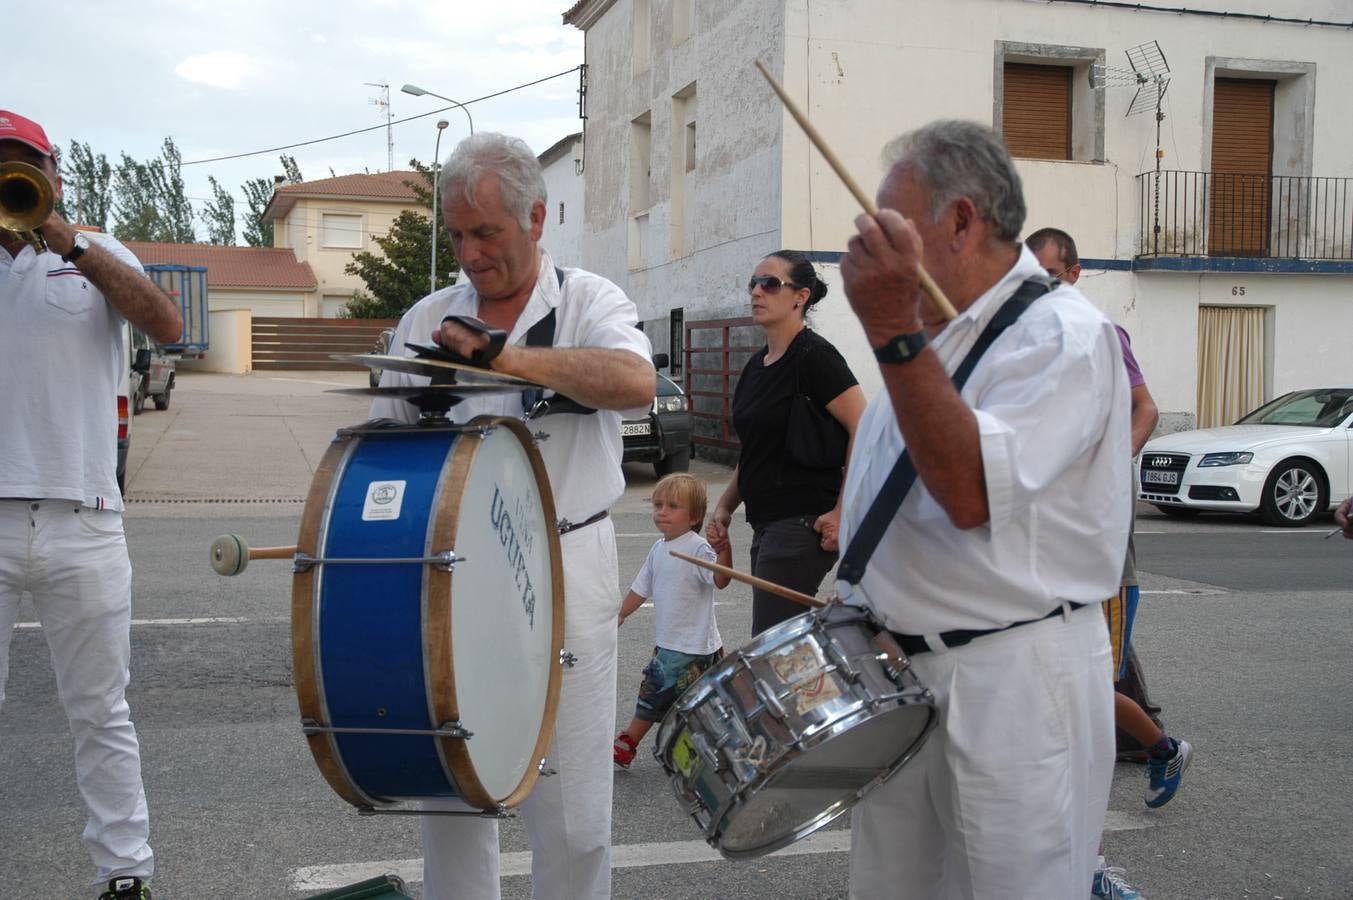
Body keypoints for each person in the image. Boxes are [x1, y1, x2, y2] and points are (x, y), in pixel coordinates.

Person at [834, 120, 1131, 898]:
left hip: (1009, 680)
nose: (869, 240)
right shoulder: (937, 339)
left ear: (960, 221)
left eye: (890, 223)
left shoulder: (1059, 335)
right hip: (900, 677)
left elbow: (967, 493)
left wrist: (891, 330)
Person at [368, 132, 656, 900]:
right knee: (453, 792)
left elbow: (633, 382)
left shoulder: (591, 301)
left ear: (537, 218)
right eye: (457, 234)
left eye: (485, 232)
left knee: (573, 812)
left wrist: (503, 360)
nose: (468, 252)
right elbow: (383, 444)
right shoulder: (426, 318)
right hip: (453, 572)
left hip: (569, 565)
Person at [0, 110, 183, 900]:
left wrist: (68, 240)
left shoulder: (96, 255)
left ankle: (125, 874)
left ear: (51, 173)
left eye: (22, 165)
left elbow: (167, 325)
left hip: (86, 516)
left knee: (101, 712)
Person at [1027, 228, 1192, 899]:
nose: (1036, 285)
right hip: (1042, 547)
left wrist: (1104, 470)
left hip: (1097, 551)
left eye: (1047, 272)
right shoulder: (1024, 346)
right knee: (1057, 695)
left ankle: (1091, 864)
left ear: (1074, 273)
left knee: (1084, 700)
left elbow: (1144, 407)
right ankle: (1157, 747)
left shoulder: (1098, 335)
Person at [707, 250, 867, 634]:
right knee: (783, 648)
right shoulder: (756, 366)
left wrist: (842, 510)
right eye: (754, 283)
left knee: (772, 647)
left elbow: (865, 426)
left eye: (770, 283)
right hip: (766, 523)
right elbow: (759, 448)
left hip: (802, 522)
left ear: (801, 296)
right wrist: (727, 505)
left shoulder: (815, 357)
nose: (757, 292)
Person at [613, 473, 731, 768]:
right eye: (658, 505)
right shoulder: (658, 548)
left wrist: (722, 550)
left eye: (672, 506)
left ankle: (628, 742)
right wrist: (622, 612)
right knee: (689, 702)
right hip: (675, 644)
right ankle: (697, 749)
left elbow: (721, 579)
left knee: (653, 696)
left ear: (694, 517)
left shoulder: (698, 548)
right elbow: (641, 587)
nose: (661, 512)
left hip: (689, 646)